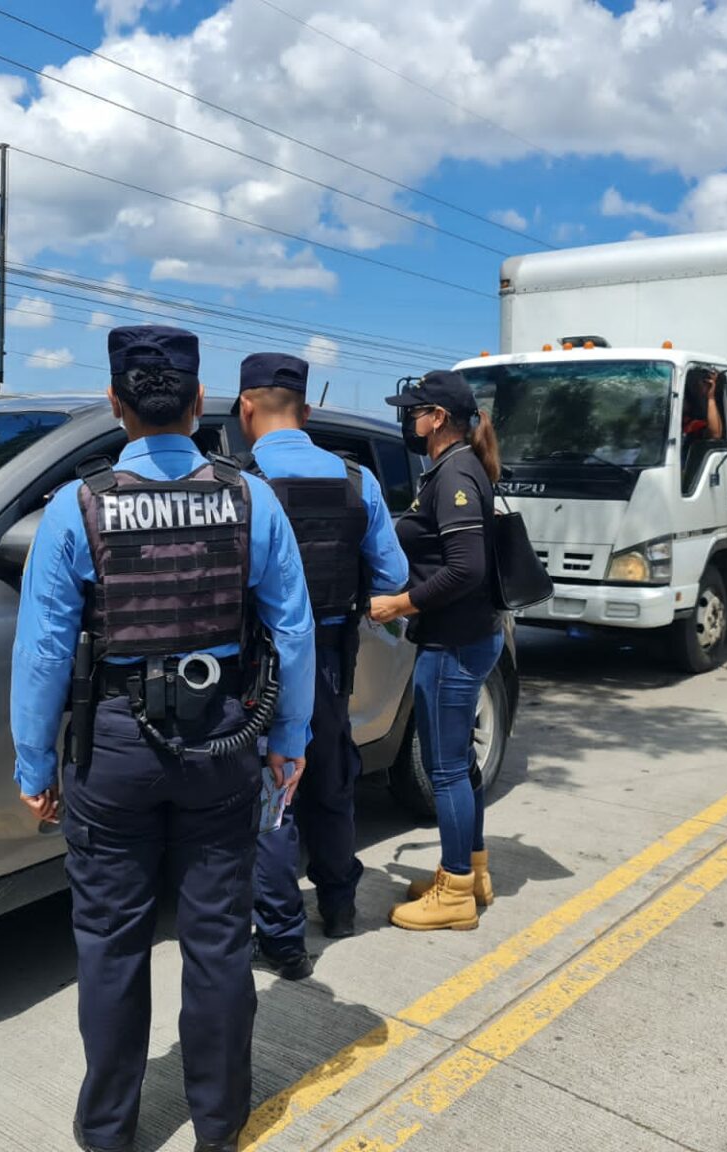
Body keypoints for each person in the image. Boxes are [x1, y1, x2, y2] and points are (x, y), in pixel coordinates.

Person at [10, 325, 315, 1152]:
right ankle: (219, 1124)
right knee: (218, 941)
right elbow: (293, 631)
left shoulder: (77, 507)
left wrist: (34, 764)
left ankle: (109, 1131)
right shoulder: (252, 500)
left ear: (116, 403)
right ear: (198, 401)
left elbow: (42, 653)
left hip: (114, 747)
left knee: (111, 946)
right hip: (224, 738)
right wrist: (289, 737)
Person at [235, 352, 410, 977]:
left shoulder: (239, 485)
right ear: (306, 411)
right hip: (332, 658)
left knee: (274, 795)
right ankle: (338, 907)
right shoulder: (358, 481)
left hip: (258, 666)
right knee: (332, 783)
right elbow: (393, 576)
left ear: (245, 409)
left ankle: (282, 939)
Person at [370, 370, 504, 931]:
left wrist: (400, 603)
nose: (409, 419)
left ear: (438, 418)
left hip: (455, 642)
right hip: (465, 636)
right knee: (458, 763)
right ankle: (470, 873)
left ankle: (454, 896)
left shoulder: (455, 474)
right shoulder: (456, 468)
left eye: (414, 410)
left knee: (444, 768)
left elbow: (466, 568)